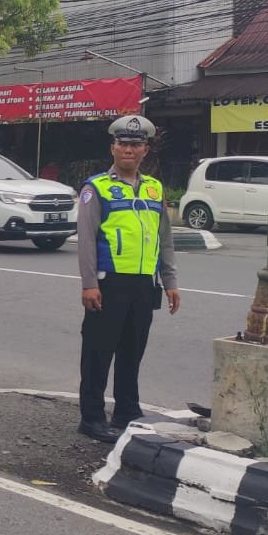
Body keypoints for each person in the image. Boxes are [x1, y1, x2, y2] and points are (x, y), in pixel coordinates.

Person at [76, 115, 181, 444]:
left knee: (132, 350)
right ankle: (91, 417)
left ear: (145, 150)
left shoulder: (154, 188)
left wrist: (170, 281)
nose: (128, 149)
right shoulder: (97, 189)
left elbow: (164, 238)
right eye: (123, 143)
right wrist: (89, 283)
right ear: (113, 147)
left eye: (135, 144)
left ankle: (126, 410)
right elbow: (86, 240)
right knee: (98, 352)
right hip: (109, 283)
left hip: (142, 284)